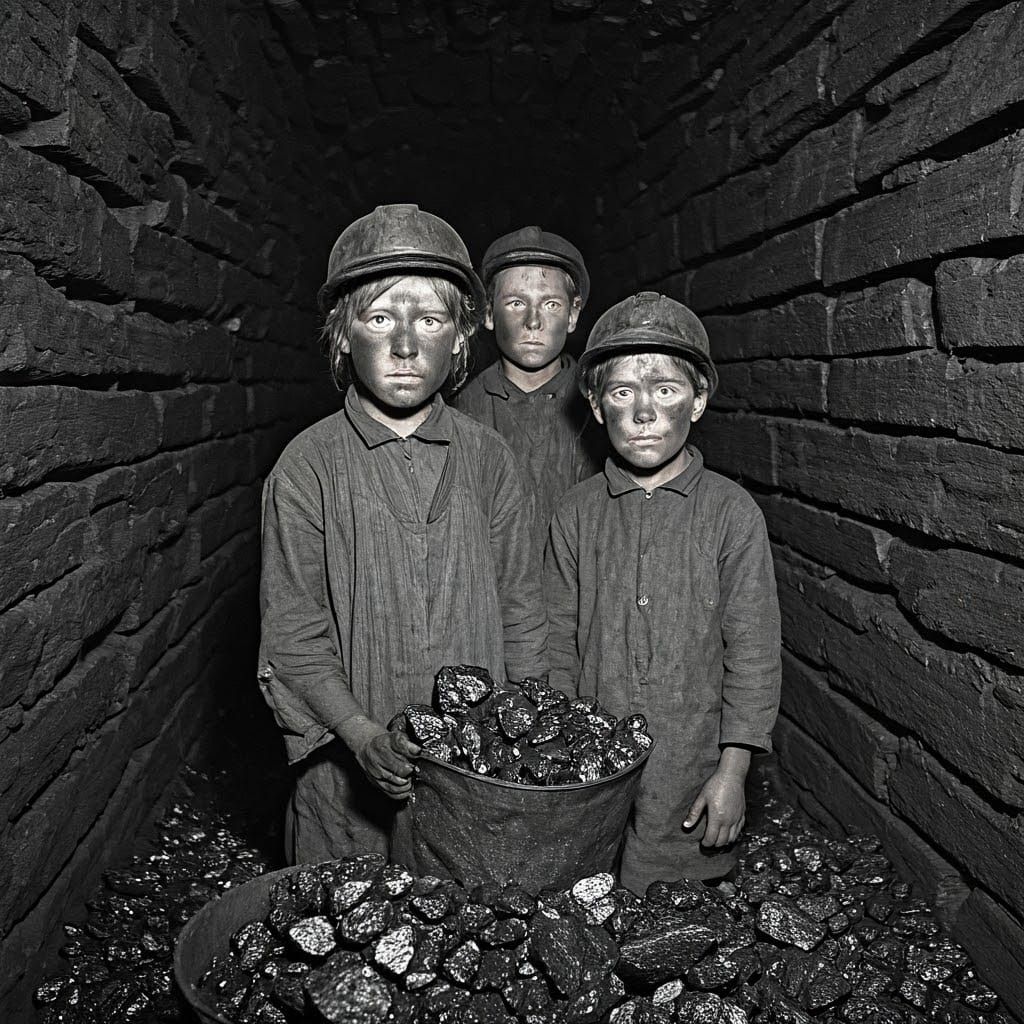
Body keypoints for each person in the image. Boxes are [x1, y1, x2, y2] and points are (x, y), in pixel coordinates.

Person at [258, 204, 549, 864]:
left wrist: (526, 741)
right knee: (346, 908)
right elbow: (293, 634)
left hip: (476, 776)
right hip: (345, 782)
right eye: (380, 318)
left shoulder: (490, 459)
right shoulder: (308, 467)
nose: (407, 345)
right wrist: (360, 734)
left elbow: (522, 611)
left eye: (431, 320)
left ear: (460, 339)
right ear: (343, 335)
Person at [545, 291, 781, 892]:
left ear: (697, 401)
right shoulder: (575, 514)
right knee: (584, 905)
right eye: (623, 393)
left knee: (677, 913)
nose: (644, 412)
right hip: (592, 767)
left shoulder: (732, 514)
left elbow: (753, 652)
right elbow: (556, 644)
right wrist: (560, 755)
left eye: (666, 390)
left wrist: (733, 773)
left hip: (690, 766)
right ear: (596, 405)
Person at [454, 226, 603, 550]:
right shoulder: (462, 411)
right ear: (488, 313)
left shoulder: (601, 407)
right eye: (516, 303)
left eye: (551, 304)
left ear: (573, 314)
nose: (533, 321)